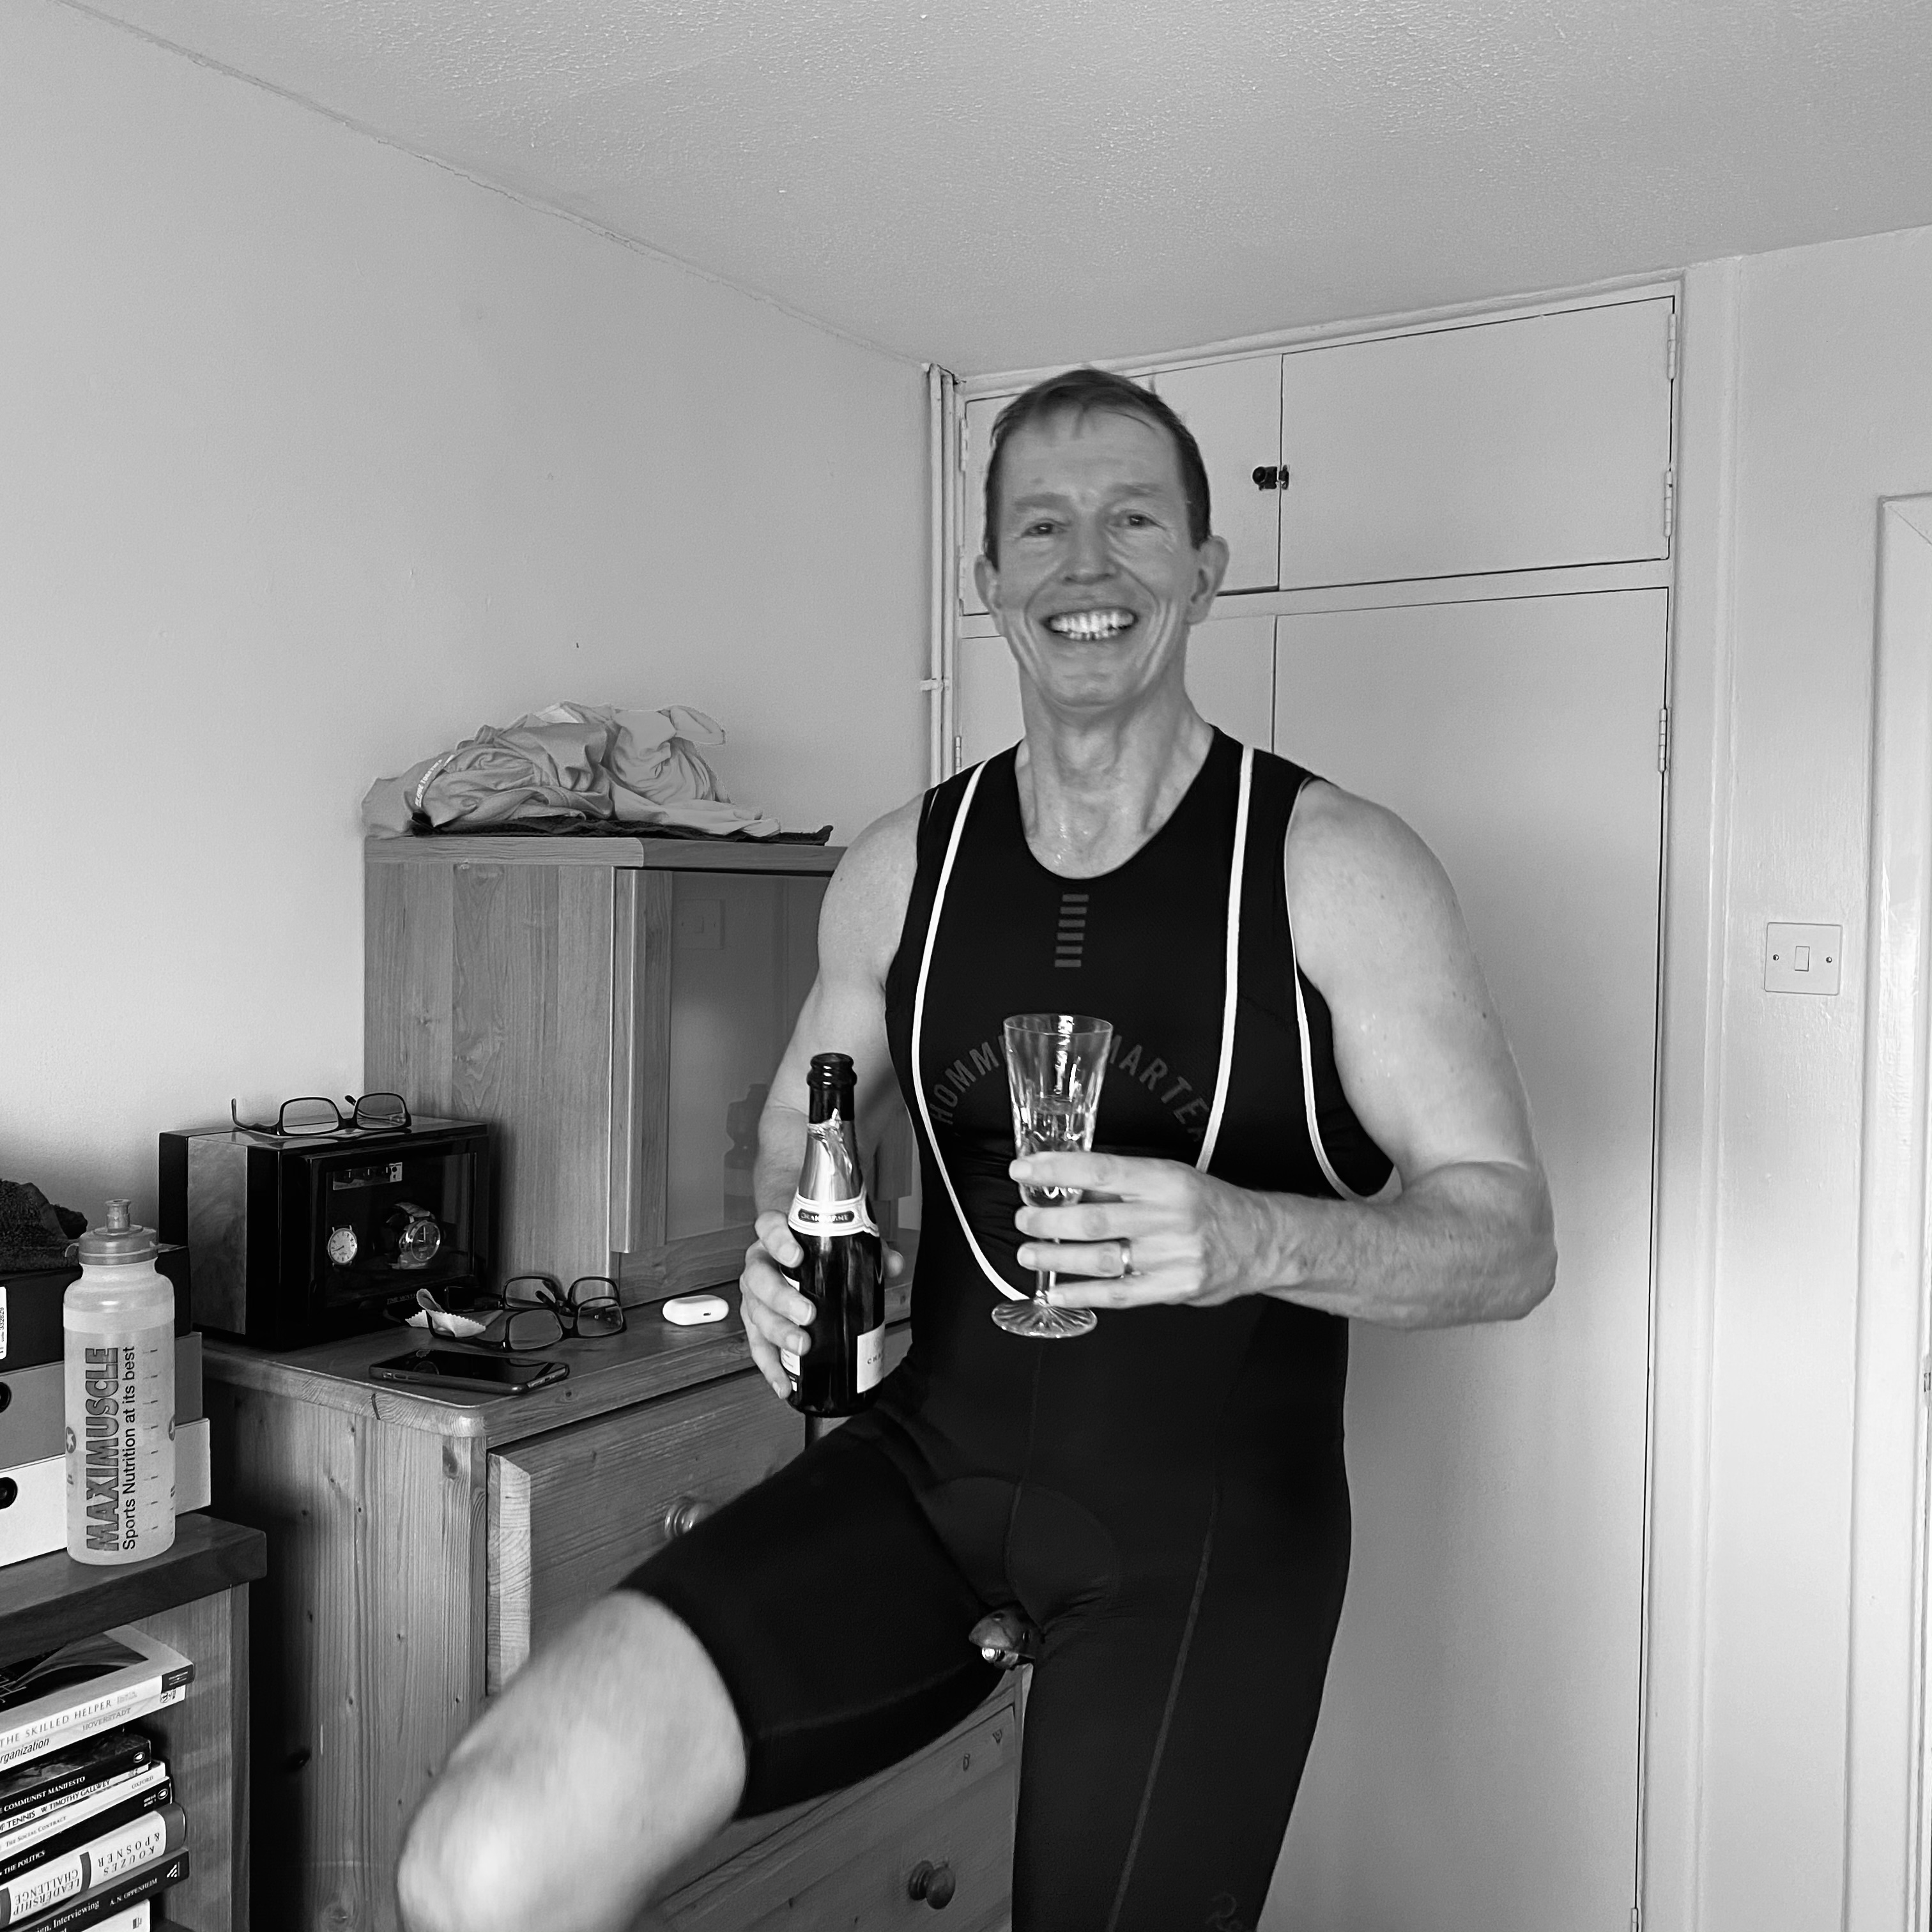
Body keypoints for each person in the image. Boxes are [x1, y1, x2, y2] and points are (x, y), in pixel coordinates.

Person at [395, 366, 1556, 1932]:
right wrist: (786, 1256)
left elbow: (1508, 1239)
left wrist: (1255, 1236)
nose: (1088, 564)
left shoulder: (1337, 867)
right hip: (924, 1475)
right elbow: (804, 1124)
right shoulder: (899, 869)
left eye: (1135, 520)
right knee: (483, 1857)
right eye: (1044, 527)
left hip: (1208, 1540)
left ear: (1207, 567)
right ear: (990, 578)